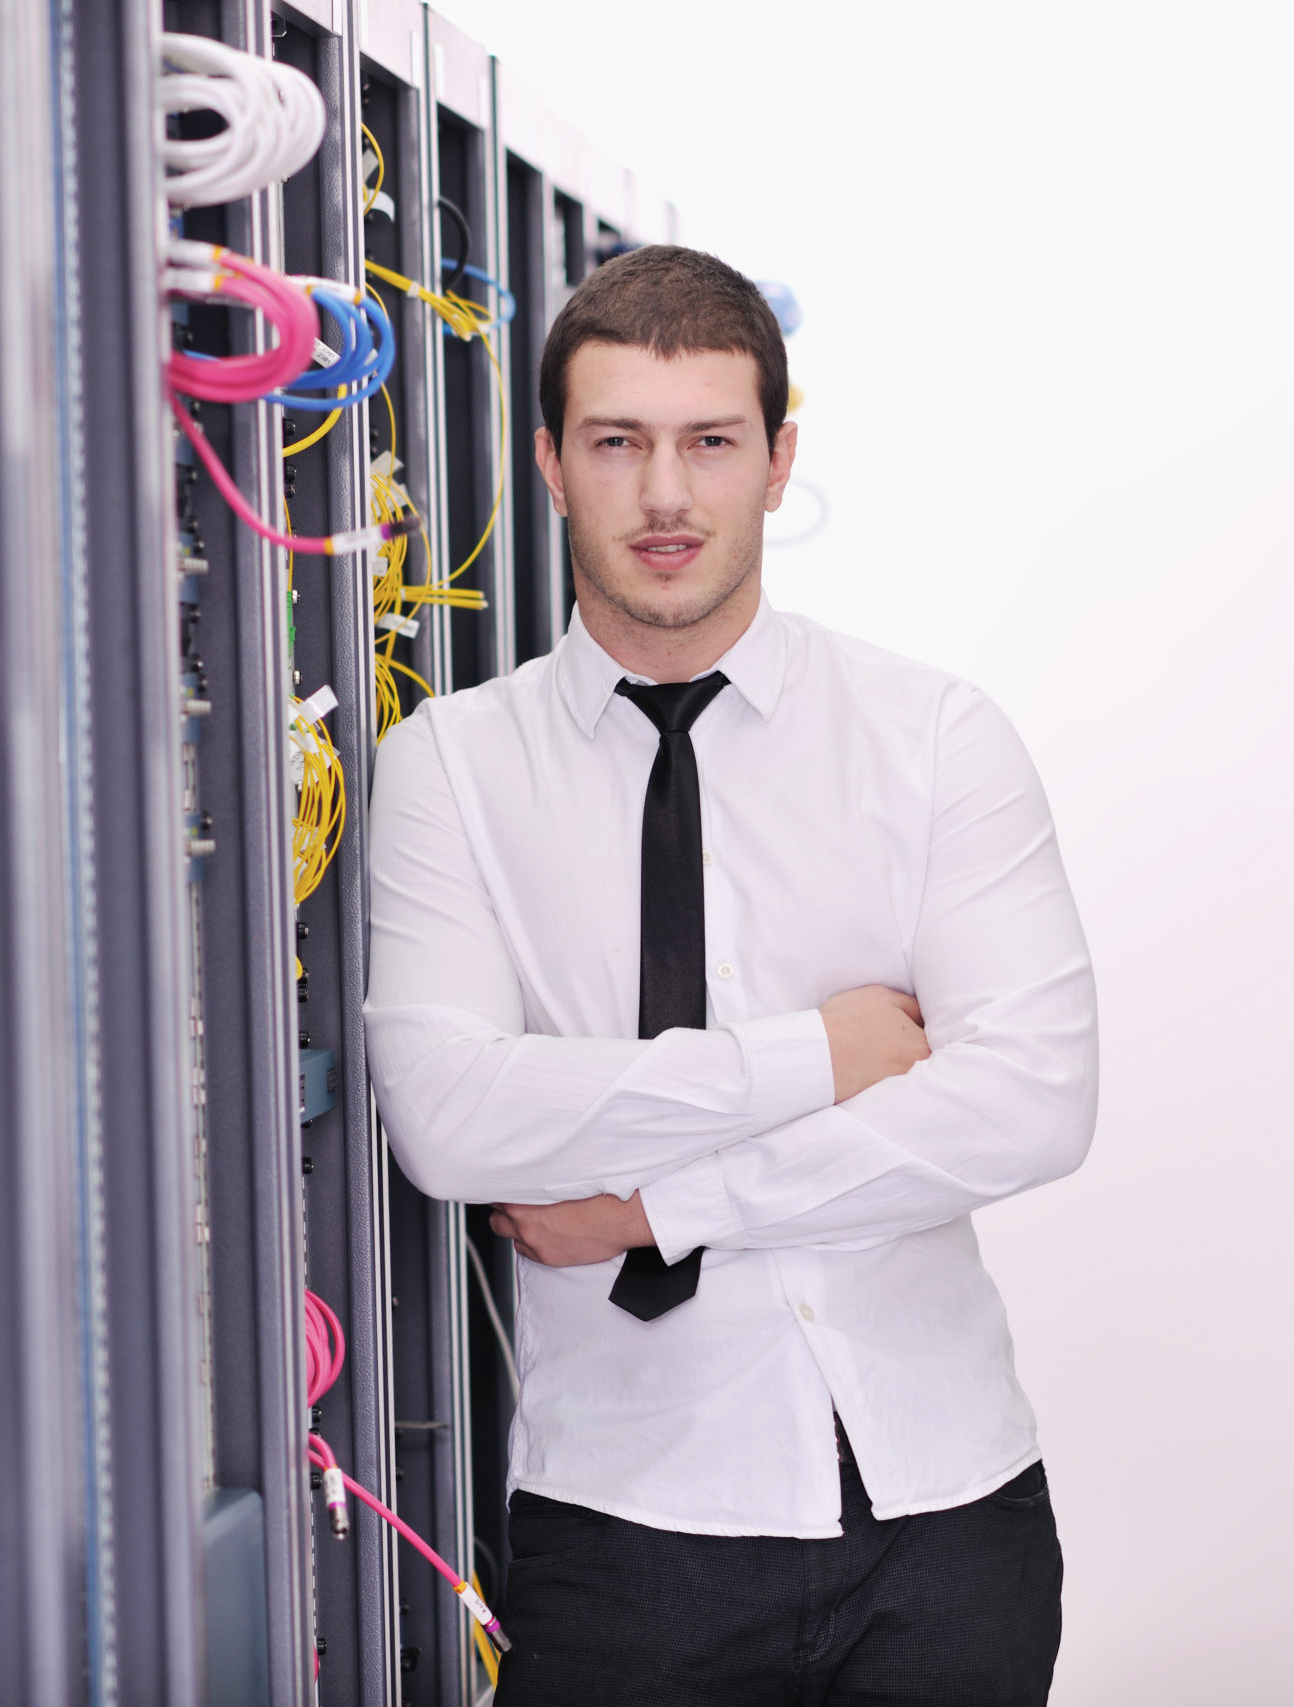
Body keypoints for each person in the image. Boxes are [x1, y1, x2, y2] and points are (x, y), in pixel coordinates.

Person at [364, 245, 1098, 1705]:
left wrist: (661, 1205)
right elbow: (451, 1120)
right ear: (551, 464)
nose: (665, 496)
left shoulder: (935, 739)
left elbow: (1031, 1104)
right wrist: (821, 1055)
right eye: (618, 442)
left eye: (709, 442)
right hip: (627, 1534)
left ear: (778, 460)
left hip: (944, 1513)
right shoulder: (450, 767)